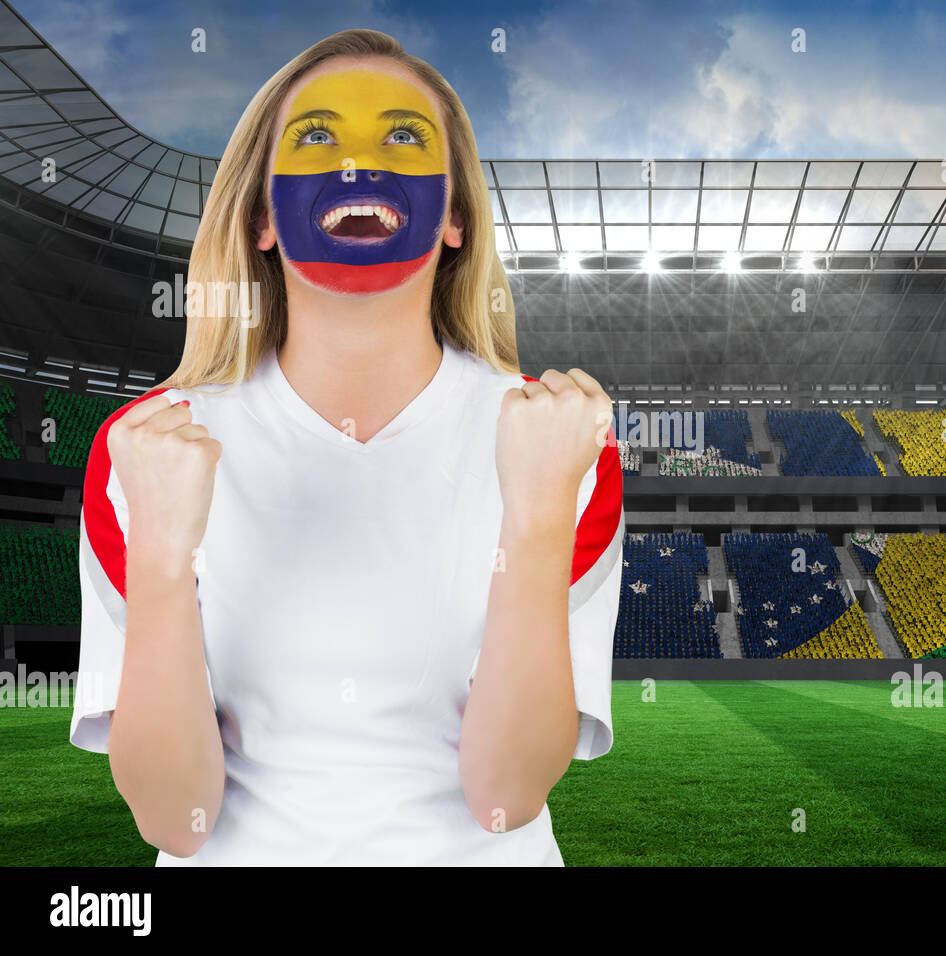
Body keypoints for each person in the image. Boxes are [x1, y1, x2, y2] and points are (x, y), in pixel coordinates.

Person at [70, 29, 624, 866]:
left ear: (454, 218)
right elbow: (172, 817)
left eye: (403, 135)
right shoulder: (144, 447)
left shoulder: (565, 441)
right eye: (317, 135)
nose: (360, 161)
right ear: (261, 217)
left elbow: (506, 797)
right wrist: (161, 560)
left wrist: (539, 515)